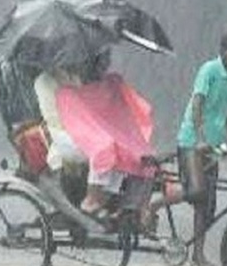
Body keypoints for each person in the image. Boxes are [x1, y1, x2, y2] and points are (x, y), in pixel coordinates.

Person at [34, 49, 158, 232]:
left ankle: (110, 200)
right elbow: (56, 113)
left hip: (82, 125)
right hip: (61, 131)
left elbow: (88, 105)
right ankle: (91, 200)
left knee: (122, 146)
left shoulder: (73, 78)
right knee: (102, 146)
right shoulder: (45, 81)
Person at [174, 31, 227, 266]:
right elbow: (198, 103)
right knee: (198, 194)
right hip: (193, 143)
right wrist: (202, 138)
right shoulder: (209, 70)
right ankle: (153, 207)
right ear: (223, 50)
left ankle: (198, 257)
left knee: (209, 205)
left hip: (213, 148)